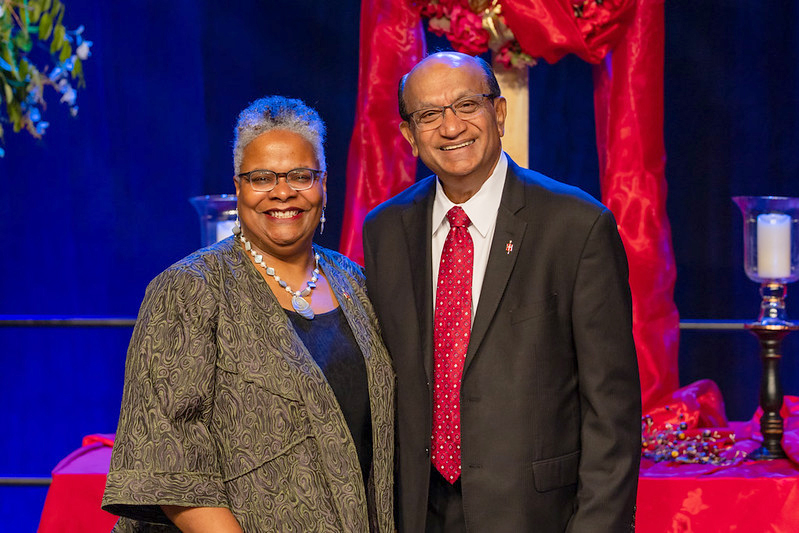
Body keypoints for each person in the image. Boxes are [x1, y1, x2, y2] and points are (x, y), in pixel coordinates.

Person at [362, 52, 641, 532]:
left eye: (467, 105)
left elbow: (612, 413)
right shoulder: (385, 231)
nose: (451, 127)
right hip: (415, 514)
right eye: (429, 115)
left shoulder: (576, 226)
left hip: (537, 516)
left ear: (499, 112)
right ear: (409, 136)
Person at [102, 96, 395, 533]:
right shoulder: (189, 289)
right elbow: (167, 459)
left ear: (324, 184)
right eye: (262, 178)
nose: (283, 192)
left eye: (301, 175)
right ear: (238, 188)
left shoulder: (356, 282)